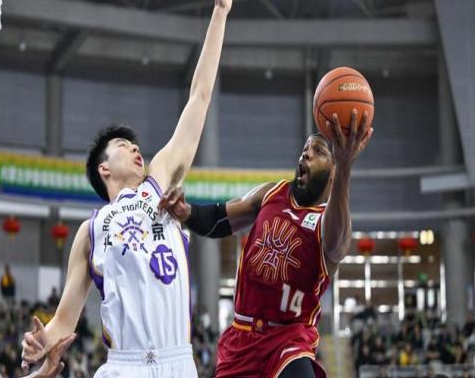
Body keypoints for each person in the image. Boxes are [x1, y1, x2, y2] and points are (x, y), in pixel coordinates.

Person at [20, 0, 239, 378]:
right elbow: (63, 322)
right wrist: (41, 342)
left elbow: (199, 98)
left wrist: (219, 14)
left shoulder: (159, 182)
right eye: (123, 146)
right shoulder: (91, 230)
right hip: (125, 366)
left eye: (136, 145)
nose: (136, 149)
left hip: (179, 362)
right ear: (103, 168)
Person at [160, 110, 373, 377]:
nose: (305, 155)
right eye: (304, 149)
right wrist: (186, 212)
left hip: (288, 340)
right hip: (242, 337)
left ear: (333, 172)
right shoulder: (272, 193)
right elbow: (219, 219)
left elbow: (337, 243)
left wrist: (344, 166)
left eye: (317, 151)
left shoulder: (329, 222)